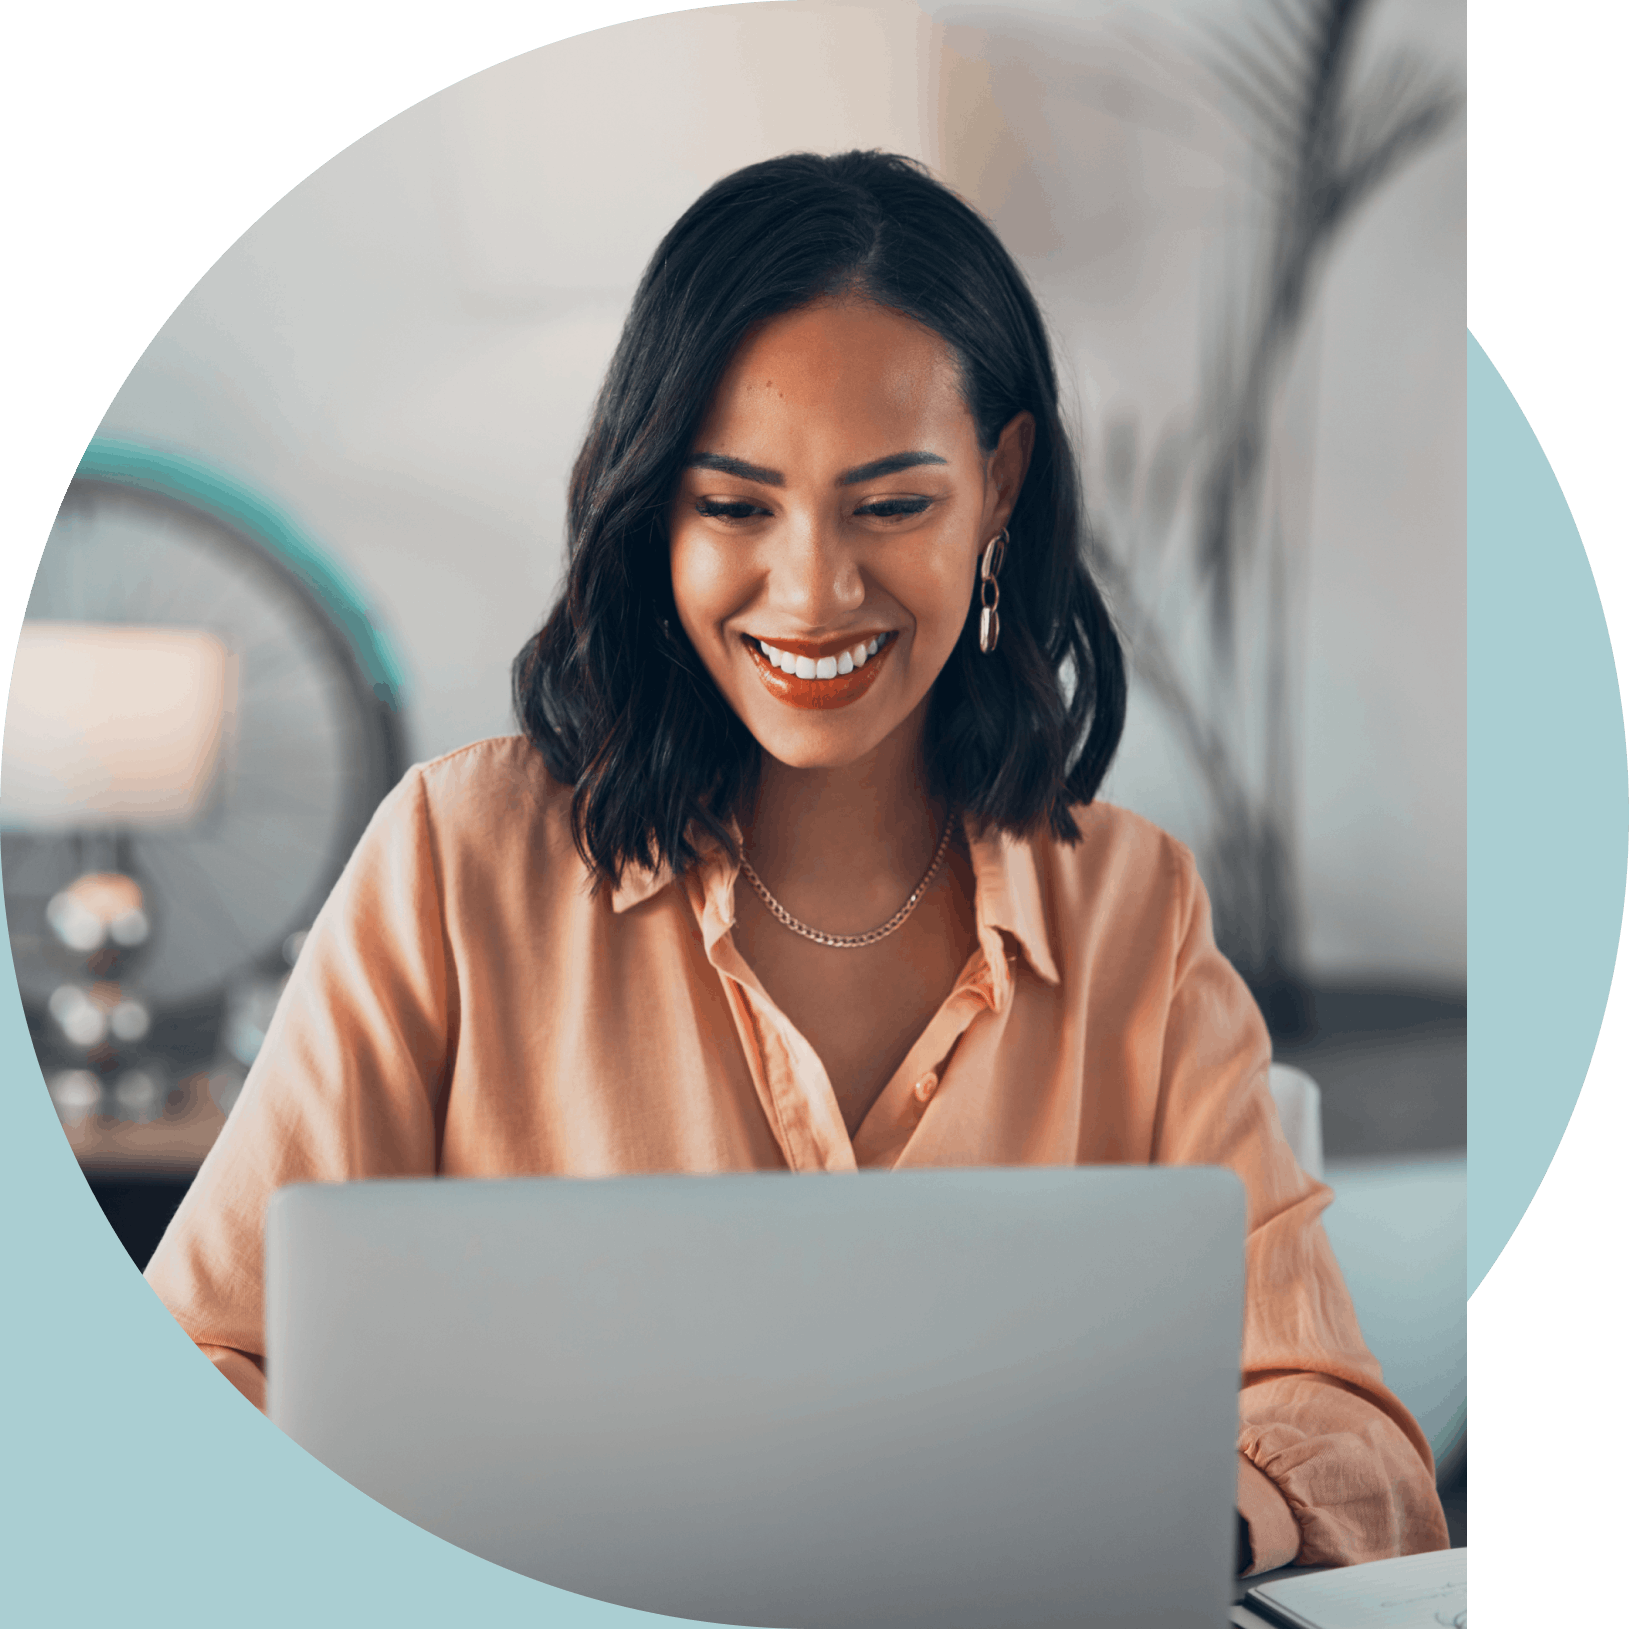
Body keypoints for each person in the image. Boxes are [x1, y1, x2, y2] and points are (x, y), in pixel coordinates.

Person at [145, 150, 1448, 1575]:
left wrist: (1182, 1521)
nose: (815, 588)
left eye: (892, 505)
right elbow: (189, 1372)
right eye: (735, 505)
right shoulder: (453, 867)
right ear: (651, 513)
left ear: (1001, 485)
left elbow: (1347, 1435)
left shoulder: (1134, 910)